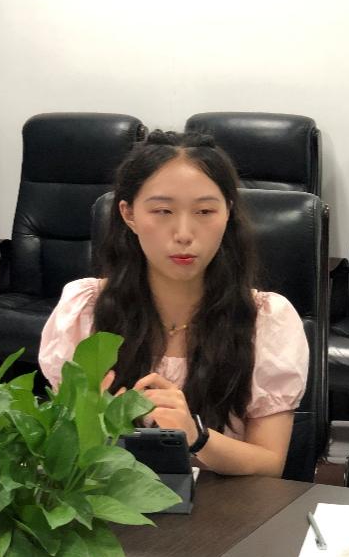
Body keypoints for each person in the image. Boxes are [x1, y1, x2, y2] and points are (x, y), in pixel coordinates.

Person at [39, 131, 308, 477]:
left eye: (205, 211)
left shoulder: (267, 319)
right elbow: (62, 454)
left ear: (228, 212)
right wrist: (89, 423)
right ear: (128, 214)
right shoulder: (84, 311)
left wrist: (196, 436)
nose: (183, 233)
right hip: (110, 500)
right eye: (163, 211)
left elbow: (270, 465)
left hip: (227, 503)